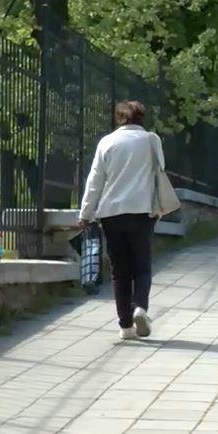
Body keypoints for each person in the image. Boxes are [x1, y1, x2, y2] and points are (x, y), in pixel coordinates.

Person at [79, 100, 163, 340]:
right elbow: (159, 173)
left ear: (119, 118)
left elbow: (95, 181)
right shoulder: (151, 140)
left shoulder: (107, 142)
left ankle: (125, 326)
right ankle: (140, 308)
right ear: (142, 118)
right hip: (142, 211)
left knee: (120, 271)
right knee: (142, 266)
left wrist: (85, 214)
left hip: (112, 214)